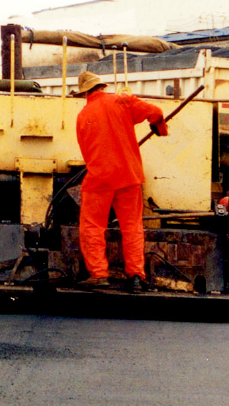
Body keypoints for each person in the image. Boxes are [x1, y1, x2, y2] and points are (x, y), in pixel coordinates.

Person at [74, 71, 168, 293]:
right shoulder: (122, 101)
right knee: (132, 226)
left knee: (92, 226)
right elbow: (155, 112)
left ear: (85, 92)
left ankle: (98, 275)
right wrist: (159, 128)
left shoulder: (82, 116)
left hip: (99, 178)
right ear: (101, 87)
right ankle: (135, 275)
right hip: (129, 175)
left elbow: (87, 153)